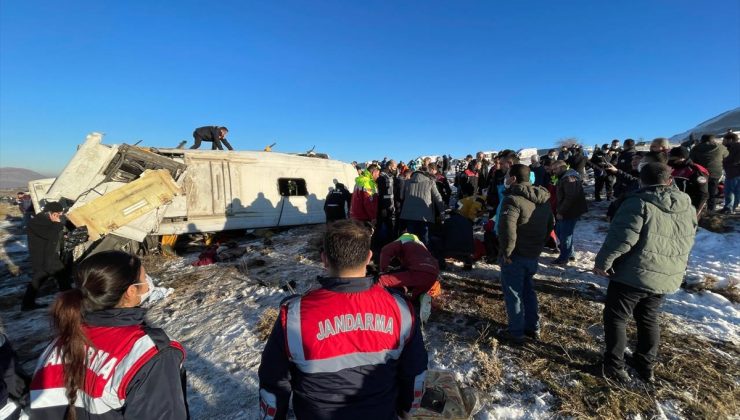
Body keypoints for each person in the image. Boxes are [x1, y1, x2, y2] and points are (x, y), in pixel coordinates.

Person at [258, 220, 428, 419]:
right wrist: (406, 411)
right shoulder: (400, 310)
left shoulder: (294, 315)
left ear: (324, 259)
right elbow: (415, 374)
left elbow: (273, 382)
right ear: (369, 257)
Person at [29, 251, 188, 418]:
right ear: (130, 291)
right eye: (144, 276)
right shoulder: (150, 353)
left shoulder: (60, 342)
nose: (149, 282)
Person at [593, 163, 696, 383]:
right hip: (667, 272)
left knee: (616, 318)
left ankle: (614, 365)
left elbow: (622, 238)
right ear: (670, 180)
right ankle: (645, 364)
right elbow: (689, 237)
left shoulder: (638, 202)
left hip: (634, 273)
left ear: (641, 180)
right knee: (648, 318)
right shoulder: (687, 204)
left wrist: (603, 261)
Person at [497, 164, 554, 343]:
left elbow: (508, 229)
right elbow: (550, 226)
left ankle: (516, 332)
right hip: (532, 253)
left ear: (513, 178)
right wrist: (538, 245)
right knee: (528, 290)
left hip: (516, 254)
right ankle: (533, 326)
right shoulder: (543, 200)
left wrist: (507, 252)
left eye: (507, 175)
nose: (505, 178)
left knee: (514, 293)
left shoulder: (513, 199)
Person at [22, 202, 70, 311]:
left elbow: (53, 235)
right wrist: (58, 224)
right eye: (58, 214)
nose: (59, 216)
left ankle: (27, 304)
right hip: (43, 257)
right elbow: (49, 235)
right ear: (51, 213)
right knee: (61, 277)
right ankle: (70, 302)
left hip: (48, 256)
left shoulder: (45, 220)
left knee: (53, 278)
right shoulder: (36, 222)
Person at [379, 232, 440, 299]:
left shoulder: (402, 243)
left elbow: (385, 250)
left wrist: (383, 270)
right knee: (417, 299)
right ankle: (419, 300)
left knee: (381, 281)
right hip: (433, 275)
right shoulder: (421, 247)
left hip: (417, 272)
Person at [551, 161, 587, 265]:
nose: (553, 172)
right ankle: (570, 254)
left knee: (565, 235)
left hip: (570, 211)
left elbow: (570, 198)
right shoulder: (565, 176)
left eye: (555, 169)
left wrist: (561, 211)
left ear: (562, 167)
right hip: (568, 209)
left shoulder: (569, 178)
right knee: (559, 230)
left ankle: (563, 258)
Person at [399, 167, 446, 245]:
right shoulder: (430, 182)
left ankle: (412, 255)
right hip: (425, 216)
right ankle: (425, 255)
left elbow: (401, 197)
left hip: (409, 215)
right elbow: (438, 198)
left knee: (412, 239)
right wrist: (442, 211)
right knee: (425, 238)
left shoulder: (407, 182)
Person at [689, 134, 729, 212]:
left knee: (701, 192)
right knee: (712, 192)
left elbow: (691, 160)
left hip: (701, 173)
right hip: (715, 173)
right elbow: (727, 156)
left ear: (702, 140)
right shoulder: (721, 148)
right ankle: (711, 210)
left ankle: (698, 210)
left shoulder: (696, 148)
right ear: (713, 139)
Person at [667, 147, 709, 216]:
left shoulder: (695, 170)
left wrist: (696, 211)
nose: (671, 161)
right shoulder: (673, 168)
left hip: (689, 205)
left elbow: (702, 193)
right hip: (675, 204)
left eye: (674, 159)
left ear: (682, 158)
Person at [721, 132, 740, 214]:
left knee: (734, 191)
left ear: (730, 140)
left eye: (724, 140)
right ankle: (728, 207)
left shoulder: (737, 146)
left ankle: (731, 208)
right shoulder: (729, 147)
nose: (723, 141)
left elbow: (736, 160)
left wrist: (729, 163)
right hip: (730, 172)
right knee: (728, 191)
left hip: (736, 172)